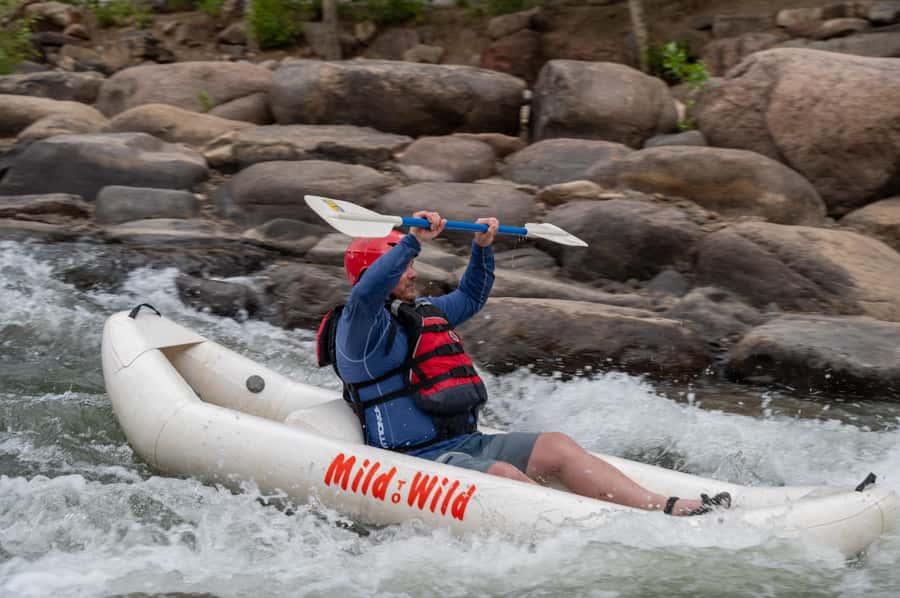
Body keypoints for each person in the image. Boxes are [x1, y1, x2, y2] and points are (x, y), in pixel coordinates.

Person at [317, 211, 729, 516]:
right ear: (375, 270)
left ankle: (663, 507)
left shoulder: (418, 313)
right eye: (405, 266)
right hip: (413, 461)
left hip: (463, 442)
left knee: (556, 446)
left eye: (411, 264)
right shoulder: (357, 329)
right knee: (504, 476)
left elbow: (472, 298)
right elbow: (368, 293)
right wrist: (410, 240)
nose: (413, 273)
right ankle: (602, 529)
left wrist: (482, 251)